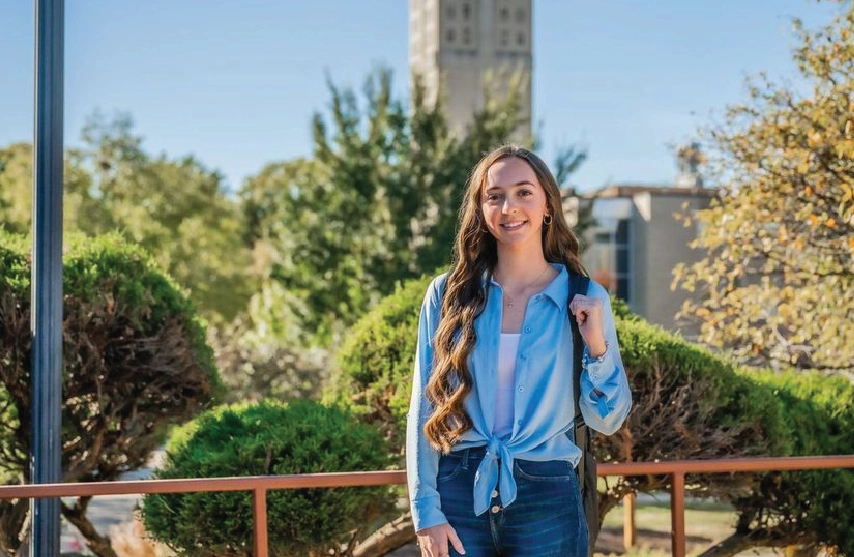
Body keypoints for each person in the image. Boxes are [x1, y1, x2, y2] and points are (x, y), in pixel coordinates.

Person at [406, 145, 632, 557]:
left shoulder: (584, 297)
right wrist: (426, 511)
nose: (509, 207)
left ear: (547, 205)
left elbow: (608, 420)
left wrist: (597, 348)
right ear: (481, 209)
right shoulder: (447, 295)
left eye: (524, 192)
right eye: (495, 196)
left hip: (548, 496)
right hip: (458, 493)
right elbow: (423, 408)